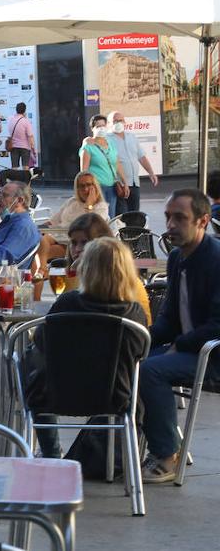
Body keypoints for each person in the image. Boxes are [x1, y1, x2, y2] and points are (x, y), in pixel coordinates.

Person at [10, 237, 149, 458]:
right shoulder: (133, 313)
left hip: (56, 394)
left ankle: (51, 453)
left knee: (30, 364)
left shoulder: (67, 304)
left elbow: (42, 342)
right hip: (115, 397)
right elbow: (140, 355)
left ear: (87, 268)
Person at [139, 189, 220, 483]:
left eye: (180, 218)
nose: (171, 225)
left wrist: (179, 344)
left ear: (203, 221)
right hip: (188, 349)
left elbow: (217, 325)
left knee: (149, 371)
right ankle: (120, 449)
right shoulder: (176, 258)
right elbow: (170, 319)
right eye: (168, 217)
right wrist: (137, 338)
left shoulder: (216, 259)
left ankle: (165, 456)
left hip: (212, 355)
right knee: (125, 359)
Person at [108, 109, 159, 215]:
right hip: (118, 184)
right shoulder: (107, 139)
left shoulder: (131, 136)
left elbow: (141, 157)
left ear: (125, 122)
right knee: (122, 216)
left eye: (121, 120)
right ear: (109, 123)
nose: (118, 123)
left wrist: (151, 173)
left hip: (134, 183)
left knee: (135, 214)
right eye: (115, 121)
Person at [79, 113, 125, 217]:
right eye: (98, 126)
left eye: (103, 126)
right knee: (98, 216)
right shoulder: (88, 145)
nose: (101, 129)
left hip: (112, 187)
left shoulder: (111, 144)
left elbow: (117, 163)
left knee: (110, 216)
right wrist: (87, 188)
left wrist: (124, 181)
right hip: (96, 188)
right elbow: (84, 171)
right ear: (92, 129)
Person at [6, 102, 36, 169]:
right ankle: (25, 179)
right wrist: (33, 147)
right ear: (24, 110)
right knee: (25, 167)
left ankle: (14, 179)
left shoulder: (11, 120)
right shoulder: (25, 121)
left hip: (13, 146)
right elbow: (30, 135)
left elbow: (9, 133)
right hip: (25, 147)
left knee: (14, 167)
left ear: (16, 109)